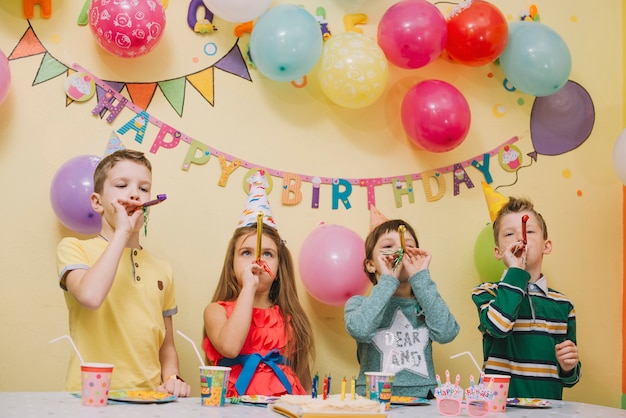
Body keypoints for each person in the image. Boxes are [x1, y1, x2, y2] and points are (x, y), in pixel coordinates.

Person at [56, 149, 191, 397]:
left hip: (148, 399)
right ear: (97, 202)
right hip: (89, 396)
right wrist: (122, 233)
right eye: (121, 185)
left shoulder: (163, 269)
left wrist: (172, 378)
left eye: (143, 188)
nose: (134, 194)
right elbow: (91, 296)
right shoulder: (74, 249)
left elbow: (167, 346)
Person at [202, 170, 314, 398]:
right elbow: (231, 347)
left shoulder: (291, 316)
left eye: (268, 254)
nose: (257, 260)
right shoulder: (216, 311)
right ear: (231, 263)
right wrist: (248, 288)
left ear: (279, 267)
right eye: (246, 252)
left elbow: (303, 379)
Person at [471, 196, 581, 400]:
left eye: (529, 232)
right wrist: (516, 270)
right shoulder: (486, 293)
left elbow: (571, 378)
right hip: (499, 410)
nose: (520, 238)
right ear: (498, 252)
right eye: (509, 234)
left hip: (548, 410)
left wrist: (568, 367)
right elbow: (499, 326)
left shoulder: (564, 305)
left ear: (546, 246)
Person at [344, 208, 460, 398]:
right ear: (371, 264)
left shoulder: (426, 303)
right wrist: (389, 280)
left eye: (408, 246)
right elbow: (360, 329)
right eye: (388, 246)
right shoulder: (358, 304)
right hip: (373, 397)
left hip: (424, 397)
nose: (399, 251)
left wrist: (420, 277)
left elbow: (447, 333)